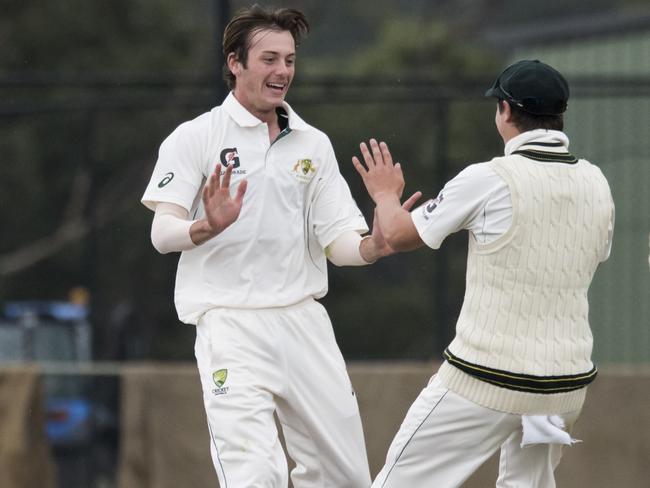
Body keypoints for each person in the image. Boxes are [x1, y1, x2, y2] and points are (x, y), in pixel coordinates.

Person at [141, 5, 420, 488]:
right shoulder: (196, 137)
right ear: (235, 63)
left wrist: (376, 243)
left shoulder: (312, 144)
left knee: (346, 475)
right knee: (255, 474)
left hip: (303, 322)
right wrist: (205, 226)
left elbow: (339, 243)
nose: (282, 72)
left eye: (289, 60)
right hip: (229, 324)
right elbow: (161, 233)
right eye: (269, 59)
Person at [352, 59, 614, 487]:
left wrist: (384, 193)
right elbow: (591, 256)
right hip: (563, 389)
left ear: (506, 112)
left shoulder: (489, 178)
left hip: (486, 381)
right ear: (559, 115)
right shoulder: (596, 181)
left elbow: (397, 235)